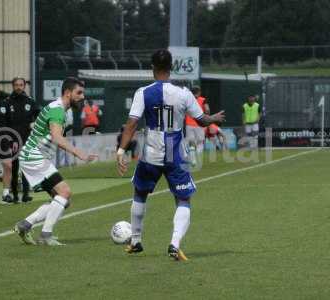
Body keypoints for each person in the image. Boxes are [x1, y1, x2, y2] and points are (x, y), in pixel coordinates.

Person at [116, 49, 225, 261]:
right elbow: (202, 120)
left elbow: (131, 123)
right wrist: (214, 118)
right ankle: (174, 244)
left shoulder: (143, 92)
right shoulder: (184, 93)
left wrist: (121, 150)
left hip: (151, 153)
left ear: (152, 68)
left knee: (140, 193)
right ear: (171, 67)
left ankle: (136, 241)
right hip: (175, 153)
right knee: (183, 198)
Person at [14, 77, 97, 246]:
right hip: (34, 156)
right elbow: (57, 137)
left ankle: (25, 225)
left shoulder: (62, 110)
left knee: (62, 200)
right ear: (67, 93)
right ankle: (46, 236)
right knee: (64, 192)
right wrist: (78, 153)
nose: (82, 96)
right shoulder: (58, 109)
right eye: (78, 93)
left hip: (35, 156)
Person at [6, 77, 39, 203]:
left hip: (27, 139)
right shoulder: (8, 102)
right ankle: (14, 195)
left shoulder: (30, 102)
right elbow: (5, 122)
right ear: (13, 86)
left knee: (26, 166)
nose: (19, 87)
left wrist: (34, 124)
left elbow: (39, 116)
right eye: (16, 85)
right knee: (14, 168)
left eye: (21, 85)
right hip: (12, 140)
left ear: (24, 86)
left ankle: (25, 194)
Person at [184, 86, 210, 166]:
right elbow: (207, 110)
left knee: (191, 143)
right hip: (199, 124)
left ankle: (193, 160)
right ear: (199, 92)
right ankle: (197, 159)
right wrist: (207, 116)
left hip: (188, 124)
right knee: (200, 142)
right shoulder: (202, 100)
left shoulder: (187, 100)